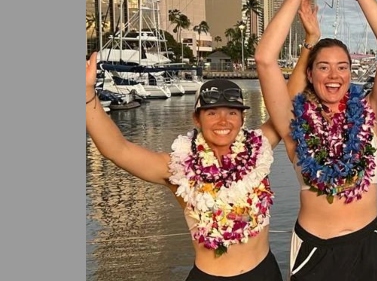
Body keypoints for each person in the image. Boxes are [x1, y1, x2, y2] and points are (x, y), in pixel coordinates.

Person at [85, 52, 311, 281]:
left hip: (264, 273)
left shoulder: (258, 148)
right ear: (197, 119)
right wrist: (86, 94)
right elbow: (117, 149)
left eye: (232, 112)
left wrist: (309, 44)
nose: (223, 121)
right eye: (212, 113)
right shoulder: (178, 167)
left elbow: (286, 101)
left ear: (242, 119)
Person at [255, 0, 377, 281]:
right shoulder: (294, 122)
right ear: (310, 73)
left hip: (369, 245)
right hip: (315, 253)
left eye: (342, 67)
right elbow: (264, 60)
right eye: (323, 66)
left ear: (351, 74)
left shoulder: (371, 112)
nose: (334, 75)